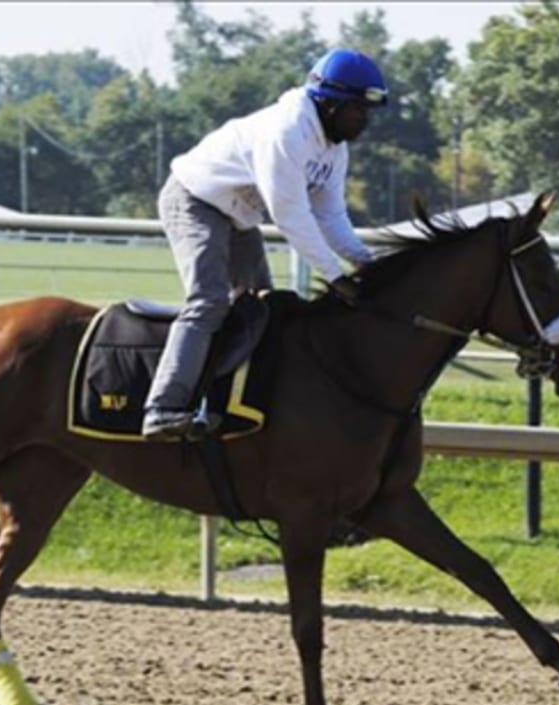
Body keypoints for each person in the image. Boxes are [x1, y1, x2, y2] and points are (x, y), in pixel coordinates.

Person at [141, 47, 389, 441]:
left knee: (263, 306)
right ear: (330, 104)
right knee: (210, 300)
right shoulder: (287, 132)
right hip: (194, 200)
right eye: (359, 108)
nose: (366, 119)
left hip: (238, 215)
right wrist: (336, 278)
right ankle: (163, 407)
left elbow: (331, 217)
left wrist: (366, 262)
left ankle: (235, 404)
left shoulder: (334, 149)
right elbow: (292, 217)